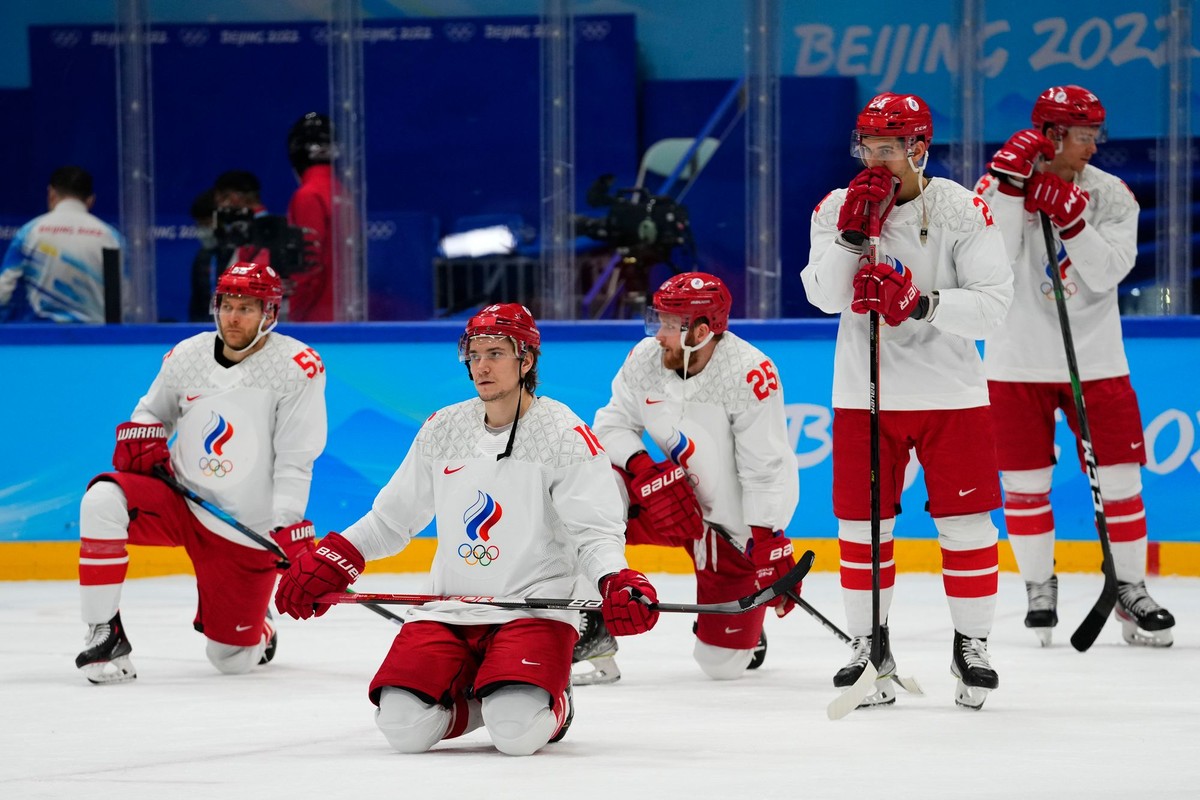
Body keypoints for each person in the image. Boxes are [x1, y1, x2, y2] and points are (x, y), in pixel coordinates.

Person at [273, 303, 659, 756]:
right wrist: (336, 556)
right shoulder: (443, 427)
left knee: (515, 733)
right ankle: (482, 697)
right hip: (447, 612)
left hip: (531, 614)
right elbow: (391, 519)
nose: (481, 365)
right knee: (401, 727)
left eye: (495, 352)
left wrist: (616, 579)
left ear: (526, 360)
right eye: (474, 354)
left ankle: (553, 703)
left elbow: (595, 534)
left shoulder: (565, 436)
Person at [800, 92, 1014, 709]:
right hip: (865, 396)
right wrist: (849, 239)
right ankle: (870, 647)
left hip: (953, 395)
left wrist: (920, 303)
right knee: (863, 527)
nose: (873, 159)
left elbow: (994, 306)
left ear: (919, 149)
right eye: (865, 146)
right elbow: (823, 296)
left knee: (968, 524)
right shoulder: (838, 206)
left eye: (887, 148)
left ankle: (971, 645)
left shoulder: (964, 210)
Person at [974, 85, 1175, 647]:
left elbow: (1108, 273)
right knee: (1025, 485)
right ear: (1052, 134)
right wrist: (1014, 188)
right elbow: (993, 264)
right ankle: (1040, 588)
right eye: (1083, 136)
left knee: (1121, 481)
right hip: (1016, 363)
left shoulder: (1110, 194)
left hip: (1096, 361)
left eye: (1093, 135)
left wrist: (1073, 219)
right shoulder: (993, 186)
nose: (1093, 146)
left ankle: (1130, 589)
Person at [75, 261, 328, 684]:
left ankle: (256, 624)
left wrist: (286, 522)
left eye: (247, 308)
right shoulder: (186, 355)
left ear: (270, 313)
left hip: (245, 529)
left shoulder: (297, 366)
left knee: (232, 660)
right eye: (228, 305)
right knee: (102, 499)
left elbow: (295, 457)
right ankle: (104, 631)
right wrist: (143, 436)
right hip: (180, 500)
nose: (233, 317)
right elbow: (150, 414)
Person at [578, 272, 799, 685]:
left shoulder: (750, 373)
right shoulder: (645, 358)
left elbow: (765, 468)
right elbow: (609, 424)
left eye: (668, 324)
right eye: (657, 320)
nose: (657, 335)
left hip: (728, 527)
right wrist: (642, 467)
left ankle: (739, 627)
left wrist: (767, 539)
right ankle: (591, 625)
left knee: (721, 666)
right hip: (668, 501)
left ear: (701, 331)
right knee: (588, 489)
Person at [0, 166, 122, 323]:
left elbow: (3, 291)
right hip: (95, 339)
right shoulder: (110, 236)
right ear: (91, 200)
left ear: (51, 193)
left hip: (40, 339)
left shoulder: (30, 232)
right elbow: (123, 300)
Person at [286, 112, 336, 322]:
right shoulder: (344, 192)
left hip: (316, 316)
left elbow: (309, 269)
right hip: (341, 312)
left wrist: (296, 318)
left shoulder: (308, 195)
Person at [188, 188, 219, 322]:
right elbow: (197, 304)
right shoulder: (202, 257)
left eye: (207, 223)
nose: (203, 230)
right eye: (199, 225)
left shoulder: (242, 253)